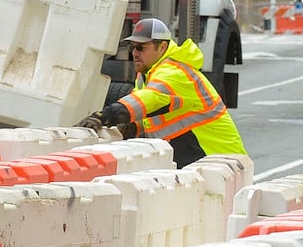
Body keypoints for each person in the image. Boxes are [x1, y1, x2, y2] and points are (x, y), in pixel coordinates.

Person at [77, 18, 246, 168]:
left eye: (141, 47)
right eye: (132, 47)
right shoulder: (147, 75)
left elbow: (146, 100)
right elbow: (152, 118)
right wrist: (131, 128)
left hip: (222, 161)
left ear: (162, 46)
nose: (135, 53)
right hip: (205, 162)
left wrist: (103, 116)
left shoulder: (173, 72)